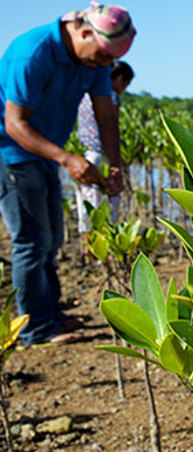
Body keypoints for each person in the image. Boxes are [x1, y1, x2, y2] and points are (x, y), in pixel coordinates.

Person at [0, 2, 135, 346]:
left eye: (109, 61)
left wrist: (116, 164)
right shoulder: (32, 53)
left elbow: (107, 118)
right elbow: (14, 124)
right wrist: (68, 159)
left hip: (45, 153)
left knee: (53, 239)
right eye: (102, 57)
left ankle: (50, 314)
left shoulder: (95, 59)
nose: (105, 66)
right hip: (10, 152)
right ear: (85, 31)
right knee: (31, 242)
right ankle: (34, 329)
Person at [74, 59, 134, 239]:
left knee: (86, 204)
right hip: (100, 155)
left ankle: (89, 251)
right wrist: (117, 164)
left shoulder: (86, 93)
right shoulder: (109, 95)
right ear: (120, 78)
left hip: (82, 156)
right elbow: (111, 128)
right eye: (126, 84)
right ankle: (104, 252)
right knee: (107, 204)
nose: (124, 89)